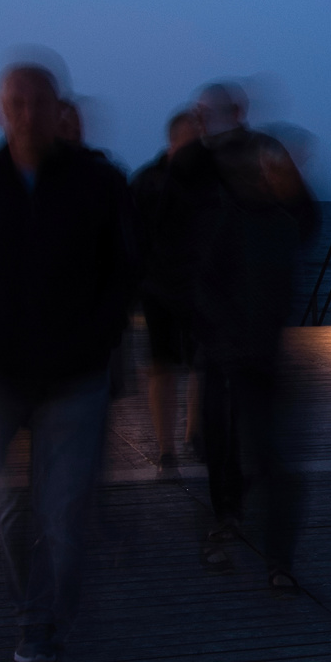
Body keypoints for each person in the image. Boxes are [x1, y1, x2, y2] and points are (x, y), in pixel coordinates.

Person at [0, 63, 138, 662]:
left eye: (37, 102)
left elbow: (123, 268)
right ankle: (32, 612)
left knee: (66, 516)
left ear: (58, 109)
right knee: (13, 511)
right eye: (13, 102)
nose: (24, 113)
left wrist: (96, 337)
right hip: (1, 372)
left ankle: (48, 623)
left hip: (76, 374)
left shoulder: (97, 181)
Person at [168, 82, 319, 588]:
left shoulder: (272, 195)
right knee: (224, 441)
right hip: (222, 339)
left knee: (271, 452)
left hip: (265, 342)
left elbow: (309, 221)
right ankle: (228, 517)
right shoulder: (206, 185)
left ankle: (277, 557)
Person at [130, 110, 202, 477]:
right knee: (162, 368)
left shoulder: (212, 180)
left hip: (201, 287)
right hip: (159, 287)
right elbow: (130, 236)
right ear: (174, 142)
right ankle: (166, 450)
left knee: (201, 365)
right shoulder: (147, 181)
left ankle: (193, 435)